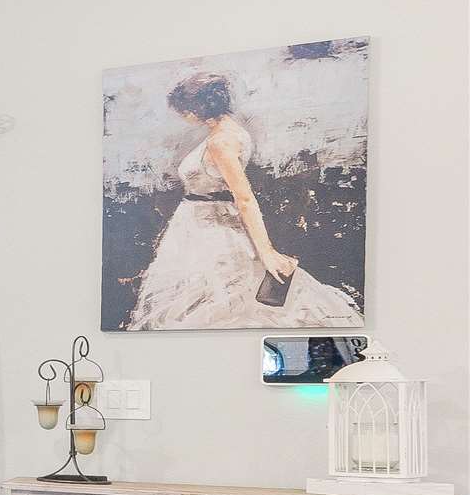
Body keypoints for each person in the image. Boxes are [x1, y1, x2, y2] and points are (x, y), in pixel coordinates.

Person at [124, 70, 359, 329]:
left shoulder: (221, 141)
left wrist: (267, 251)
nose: (184, 115)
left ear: (200, 106)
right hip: (202, 223)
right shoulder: (231, 133)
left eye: (186, 109)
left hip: (208, 228)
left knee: (215, 300)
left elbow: (244, 198)